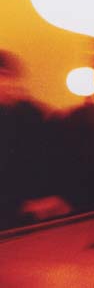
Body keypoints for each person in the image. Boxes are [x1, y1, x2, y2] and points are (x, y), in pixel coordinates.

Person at [0, 50, 71, 229]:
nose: (4, 83)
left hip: (39, 220)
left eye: (5, 76)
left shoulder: (35, 115)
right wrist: (20, 207)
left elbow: (55, 164)